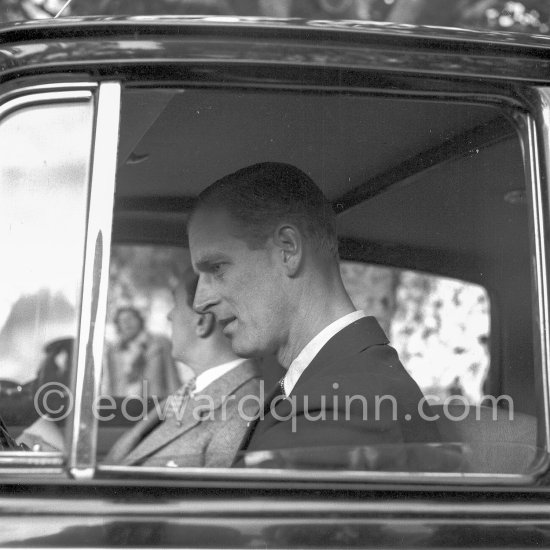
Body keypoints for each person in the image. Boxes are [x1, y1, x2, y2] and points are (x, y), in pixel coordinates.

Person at [188, 162, 441, 464]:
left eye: (216, 268)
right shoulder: (329, 384)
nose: (199, 302)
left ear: (288, 250)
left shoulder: (343, 410)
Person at [104, 268, 261, 467]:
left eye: (175, 304)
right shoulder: (193, 392)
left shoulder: (242, 410)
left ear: (202, 322)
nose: (170, 316)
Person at [102, 306, 180, 397]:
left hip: (154, 402)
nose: (127, 323)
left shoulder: (160, 343)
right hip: (123, 404)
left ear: (140, 320)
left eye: (130, 318)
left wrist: (177, 402)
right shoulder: (114, 350)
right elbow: (111, 383)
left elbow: (172, 378)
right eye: (122, 321)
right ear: (118, 325)